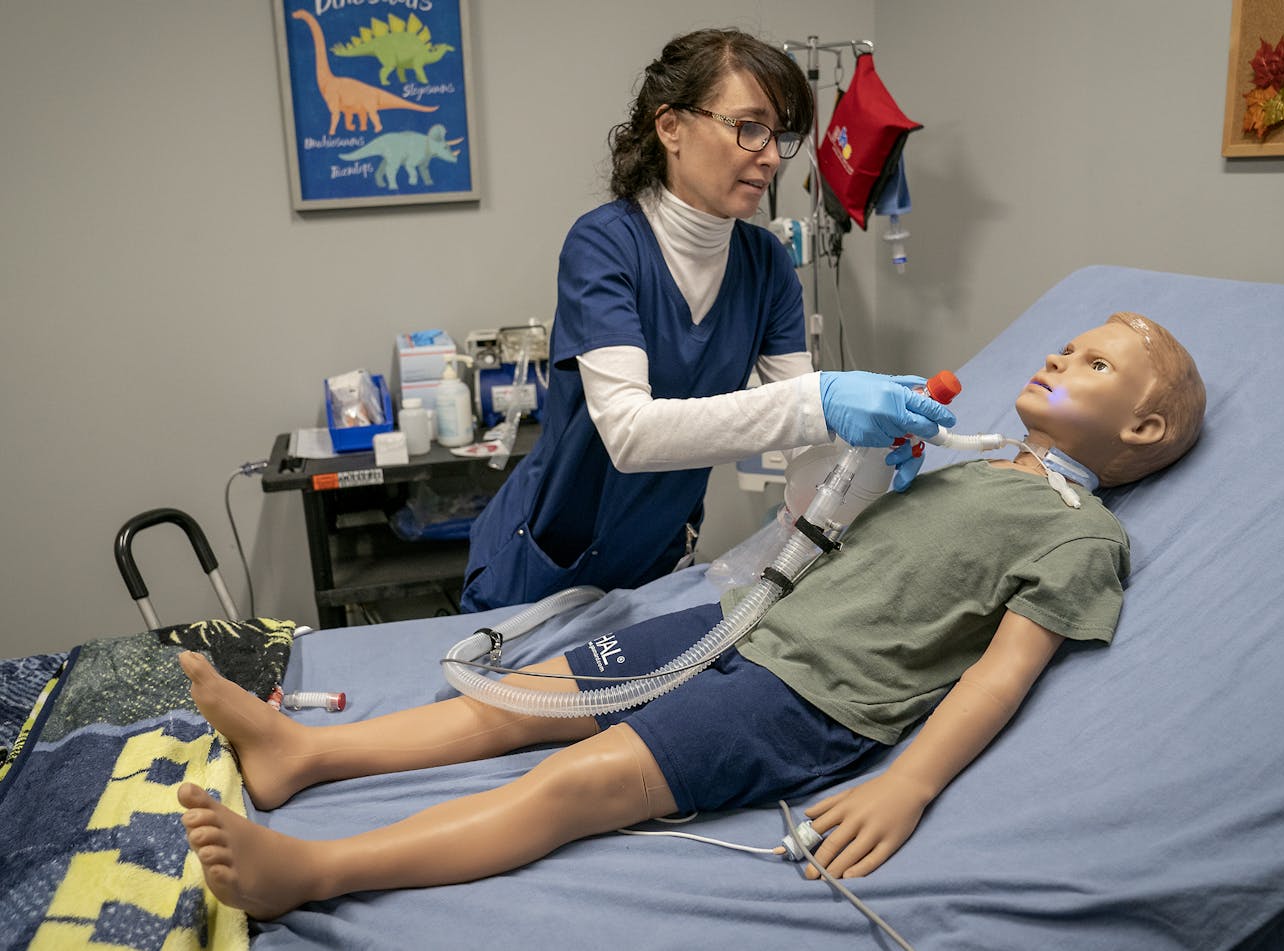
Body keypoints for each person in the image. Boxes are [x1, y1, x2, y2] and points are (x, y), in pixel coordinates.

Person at [176, 311, 1205, 919]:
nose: (1059, 359)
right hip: (744, 616)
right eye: (1066, 345)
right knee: (514, 697)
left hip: (803, 697)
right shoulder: (974, 461)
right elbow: (833, 534)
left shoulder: (1082, 534)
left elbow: (998, 672)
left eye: (1094, 364)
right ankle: (304, 756)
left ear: (1144, 426)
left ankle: (313, 874)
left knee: (574, 779)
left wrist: (912, 788)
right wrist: (874, 472)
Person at [459, 28, 957, 612]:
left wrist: (863, 454)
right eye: (750, 127)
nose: (770, 155)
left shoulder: (766, 262)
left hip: (659, 561)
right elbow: (629, 434)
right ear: (671, 126)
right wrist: (822, 402)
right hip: (546, 563)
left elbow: (802, 435)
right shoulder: (604, 245)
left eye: (781, 134)